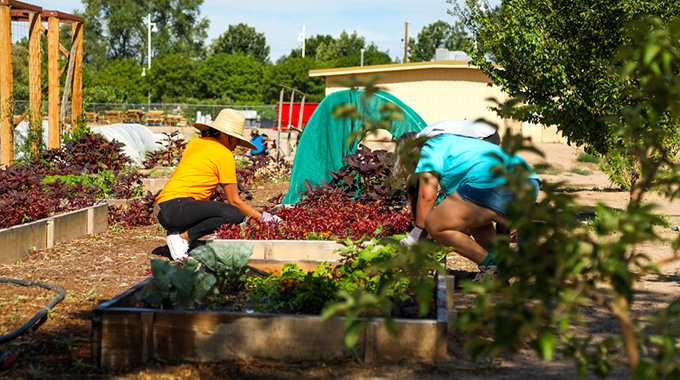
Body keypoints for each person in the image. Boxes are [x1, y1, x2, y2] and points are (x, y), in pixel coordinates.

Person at [396, 131, 540, 281]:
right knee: (468, 219)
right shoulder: (451, 144)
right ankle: (498, 266)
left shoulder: (429, 149)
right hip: (528, 181)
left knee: (434, 223)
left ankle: (491, 266)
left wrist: (418, 233)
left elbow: (427, 196)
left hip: (496, 183)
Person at [155, 108, 282, 260]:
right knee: (233, 214)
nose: (236, 145)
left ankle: (178, 233)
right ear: (224, 135)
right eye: (235, 139)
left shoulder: (196, 143)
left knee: (213, 207)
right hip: (178, 208)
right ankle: (182, 237)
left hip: (163, 206)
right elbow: (235, 201)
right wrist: (266, 219)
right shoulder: (224, 154)